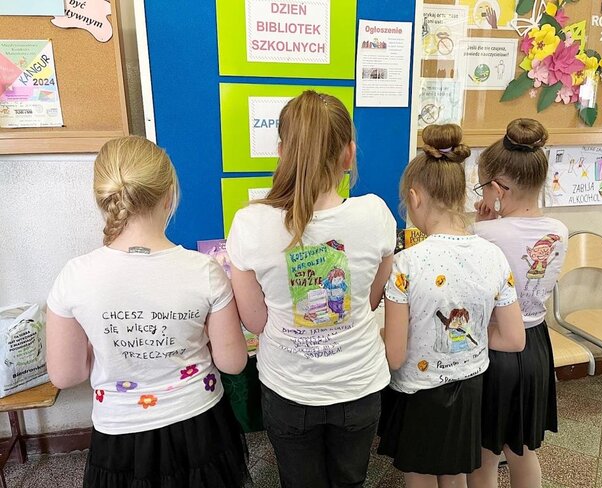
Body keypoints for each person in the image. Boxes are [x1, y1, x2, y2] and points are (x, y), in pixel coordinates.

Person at [46, 136, 251, 488]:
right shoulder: (204, 270)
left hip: (118, 434)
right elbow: (233, 363)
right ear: (169, 196)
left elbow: (65, 375)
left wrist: (103, 343)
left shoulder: (74, 276)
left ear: (103, 198)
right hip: (200, 425)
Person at [226, 90, 396, 488]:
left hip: (288, 390)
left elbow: (255, 321)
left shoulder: (250, 223)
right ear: (348, 154)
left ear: (282, 152)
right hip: (359, 385)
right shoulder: (375, 213)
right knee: (350, 480)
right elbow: (372, 299)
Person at [378, 124, 525, 488]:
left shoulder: (406, 264)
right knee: (456, 474)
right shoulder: (494, 256)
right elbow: (514, 339)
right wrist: (469, 337)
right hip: (470, 390)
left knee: (421, 477)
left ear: (414, 198)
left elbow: (394, 356)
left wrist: (378, 333)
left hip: (419, 393)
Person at [467, 119, 568, 488]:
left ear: (497, 189)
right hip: (536, 346)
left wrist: (484, 224)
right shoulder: (559, 231)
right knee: (522, 448)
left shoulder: (482, 234)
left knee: (484, 452)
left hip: (494, 346)